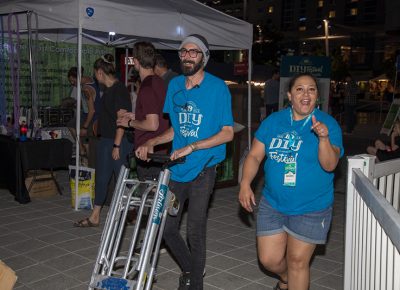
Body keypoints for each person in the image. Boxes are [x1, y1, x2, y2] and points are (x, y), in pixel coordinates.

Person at [136, 34, 234, 290]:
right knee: (166, 228)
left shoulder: (218, 88)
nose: (187, 56)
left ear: (204, 56)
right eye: (183, 52)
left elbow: (227, 132)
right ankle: (192, 269)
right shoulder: (175, 85)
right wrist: (151, 142)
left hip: (203, 170)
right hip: (177, 169)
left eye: (193, 52)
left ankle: (195, 284)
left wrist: (193, 146)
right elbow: (176, 131)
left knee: (194, 230)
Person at [238, 73, 344, 290]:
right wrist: (245, 183)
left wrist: (323, 138)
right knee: (269, 260)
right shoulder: (273, 121)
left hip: (311, 207)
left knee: (297, 262)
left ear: (317, 95)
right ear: (289, 95)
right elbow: (255, 156)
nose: (306, 94)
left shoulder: (329, 125)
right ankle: (286, 279)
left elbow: (330, 165)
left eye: (312, 89)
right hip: (273, 202)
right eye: (299, 89)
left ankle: (293, 278)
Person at [74, 54, 132, 227]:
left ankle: (132, 214)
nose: (94, 77)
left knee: (122, 180)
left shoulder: (119, 90)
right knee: (102, 179)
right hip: (106, 141)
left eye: (95, 74)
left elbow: (122, 120)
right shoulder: (107, 90)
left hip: (117, 142)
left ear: (100, 72)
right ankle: (95, 216)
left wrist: (116, 145)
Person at [117, 41, 169, 181]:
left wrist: (129, 123)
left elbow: (153, 124)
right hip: (158, 151)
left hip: (148, 154)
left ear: (136, 61)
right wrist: (137, 115)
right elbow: (157, 113)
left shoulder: (146, 87)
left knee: (148, 200)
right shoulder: (159, 81)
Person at [66, 66, 101, 157]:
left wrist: (85, 127)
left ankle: (88, 162)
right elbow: (89, 103)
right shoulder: (90, 80)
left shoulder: (86, 89)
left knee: (87, 142)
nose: (72, 84)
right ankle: (81, 149)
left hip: (92, 117)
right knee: (71, 124)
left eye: (73, 81)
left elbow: (92, 110)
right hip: (87, 114)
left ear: (78, 77)